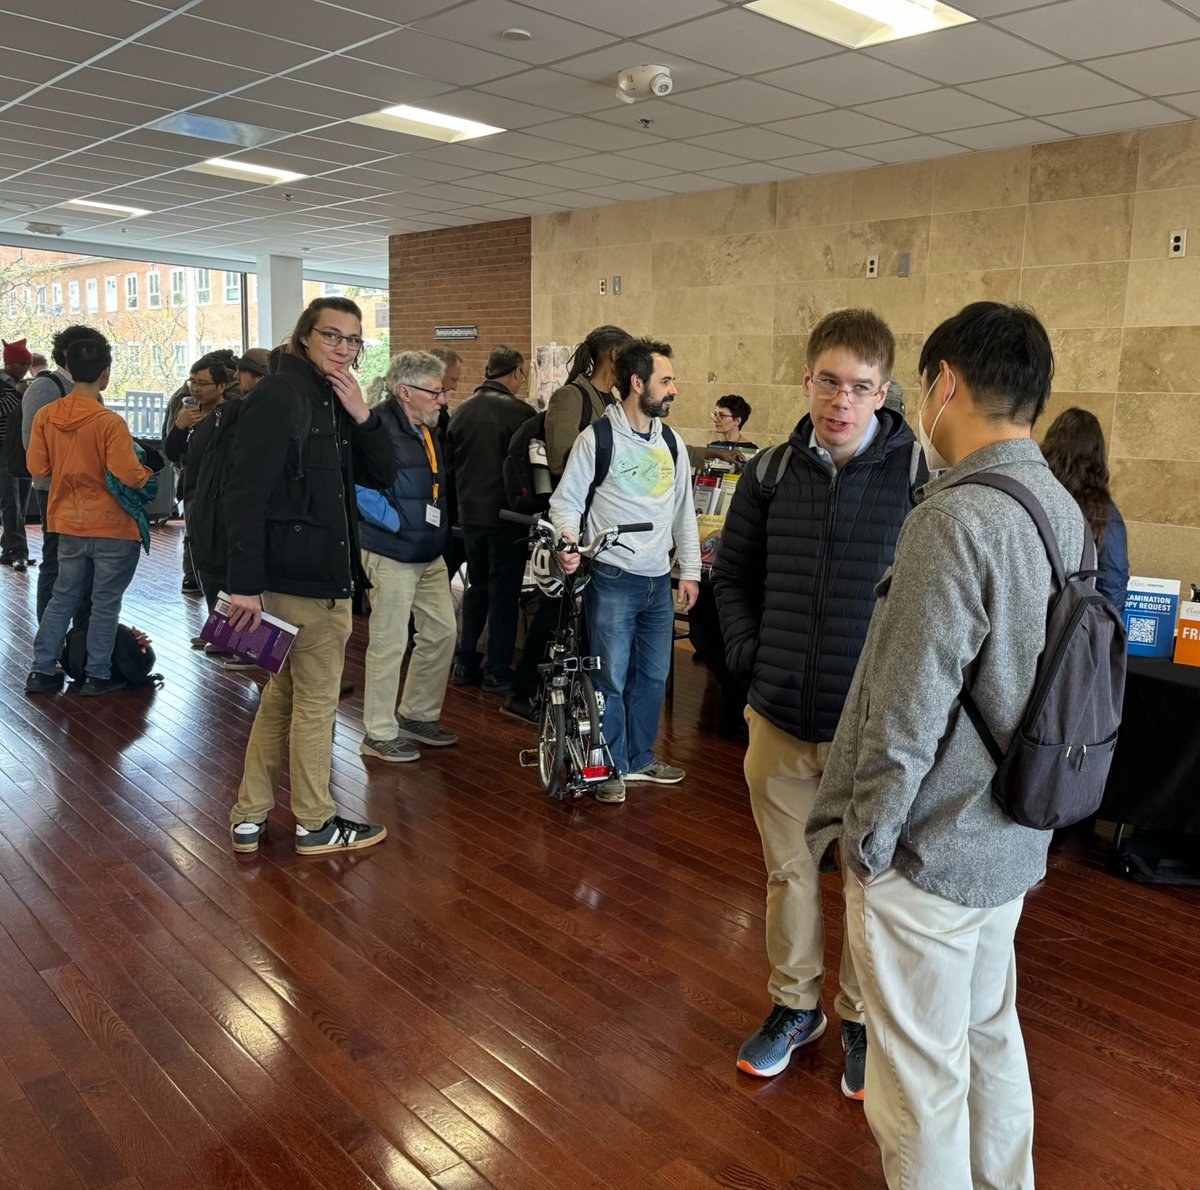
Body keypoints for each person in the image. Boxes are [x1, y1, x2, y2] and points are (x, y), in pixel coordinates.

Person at [806, 302, 1085, 1190]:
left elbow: (907, 706)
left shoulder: (954, 517)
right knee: (989, 1038)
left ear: (946, 383)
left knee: (916, 1082)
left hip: (931, 852)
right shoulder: (1058, 507)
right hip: (1013, 836)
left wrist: (869, 845)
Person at [712, 308, 921, 1097]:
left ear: (883, 392)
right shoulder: (768, 473)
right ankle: (795, 1007)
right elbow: (731, 579)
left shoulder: (915, 478)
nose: (841, 401)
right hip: (778, 718)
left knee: (868, 884)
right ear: (806, 382)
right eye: (828, 382)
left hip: (870, 730)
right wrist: (746, 658)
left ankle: (861, 1018)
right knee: (787, 874)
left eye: (859, 387)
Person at [223, 296, 397, 856]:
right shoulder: (282, 395)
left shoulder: (330, 396)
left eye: (353, 340)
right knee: (317, 703)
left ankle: (249, 816)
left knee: (283, 696)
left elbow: (383, 474)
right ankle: (316, 823)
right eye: (332, 336)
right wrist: (244, 585)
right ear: (304, 336)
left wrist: (364, 415)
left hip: (313, 573)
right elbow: (243, 494)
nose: (343, 348)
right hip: (302, 580)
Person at [549, 338, 700, 805]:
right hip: (612, 577)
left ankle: (638, 759)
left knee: (653, 676)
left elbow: (684, 514)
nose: (674, 389)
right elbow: (566, 504)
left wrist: (689, 571)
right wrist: (567, 547)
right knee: (609, 678)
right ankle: (607, 764)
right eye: (666, 380)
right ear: (637, 384)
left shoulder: (672, 443)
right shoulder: (597, 439)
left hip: (658, 580)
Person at [24, 336, 153, 696]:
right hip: (112, 525)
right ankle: (97, 675)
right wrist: (147, 475)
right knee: (105, 602)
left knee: (62, 597)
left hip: (67, 521)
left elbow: (37, 466)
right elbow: (127, 474)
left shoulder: (46, 416)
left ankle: (41, 671)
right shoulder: (109, 422)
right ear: (105, 374)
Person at [357, 350, 458, 763]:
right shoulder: (375, 426)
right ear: (405, 391)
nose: (442, 399)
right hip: (392, 550)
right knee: (389, 641)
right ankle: (378, 733)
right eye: (434, 392)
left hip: (428, 551)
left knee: (442, 631)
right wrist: (397, 523)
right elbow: (357, 488)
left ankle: (416, 714)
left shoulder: (425, 429)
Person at [445, 344, 535, 692]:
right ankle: (497, 669)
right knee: (504, 592)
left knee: (476, 587)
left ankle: (465, 662)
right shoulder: (522, 414)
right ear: (515, 372)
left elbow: (451, 467)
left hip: (469, 517)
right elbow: (529, 469)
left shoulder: (460, 411)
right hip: (507, 518)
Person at [22, 325, 104, 618]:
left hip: (91, 491)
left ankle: (80, 642)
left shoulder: (91, 388)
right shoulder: (45, 387)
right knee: (56, 562)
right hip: (54, 490)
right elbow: (32, 446)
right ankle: (51, 642)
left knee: (89, 564)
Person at [163, 353, 241, 637]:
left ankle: (236, 637)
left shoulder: (233, 415)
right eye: (192, 382)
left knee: (226, 567)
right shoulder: (185, 412)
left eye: (203, 384)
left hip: (223, 497)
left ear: (221, 386)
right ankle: (219, 630)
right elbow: (172, 453)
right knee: (204, 564)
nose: (195, 389)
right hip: (195, 494)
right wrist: (180, 426)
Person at [1042, 406, 1129, 612]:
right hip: (1072, 627)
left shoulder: (1035, 491)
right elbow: (1113, 583)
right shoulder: (1104, 512)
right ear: (1097, 456)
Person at [0, 337, 34, 570]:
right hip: (3, 448)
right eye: (22, 363)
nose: (26, 368)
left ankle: (8, 548)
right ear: (10, 363)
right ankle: (18, 552)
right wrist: (19, 395)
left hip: (23, 446)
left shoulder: (23, 385)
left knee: (22, 500)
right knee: (11, 501)